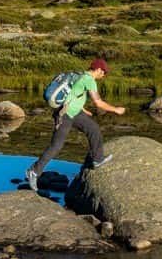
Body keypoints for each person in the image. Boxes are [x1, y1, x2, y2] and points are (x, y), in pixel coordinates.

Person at [26, 58, 125, 189]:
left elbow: (74, 94)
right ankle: (33, 171)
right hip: (65, 114)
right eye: (104, 72)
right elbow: (98, 102)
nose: (104, 75)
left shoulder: (80, 75)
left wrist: (83, 109)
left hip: (75, 112)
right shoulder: (89, 80)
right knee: (56, 146)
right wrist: (116, 109)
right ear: (98, 69)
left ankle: (97, 160)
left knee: (93, 129)